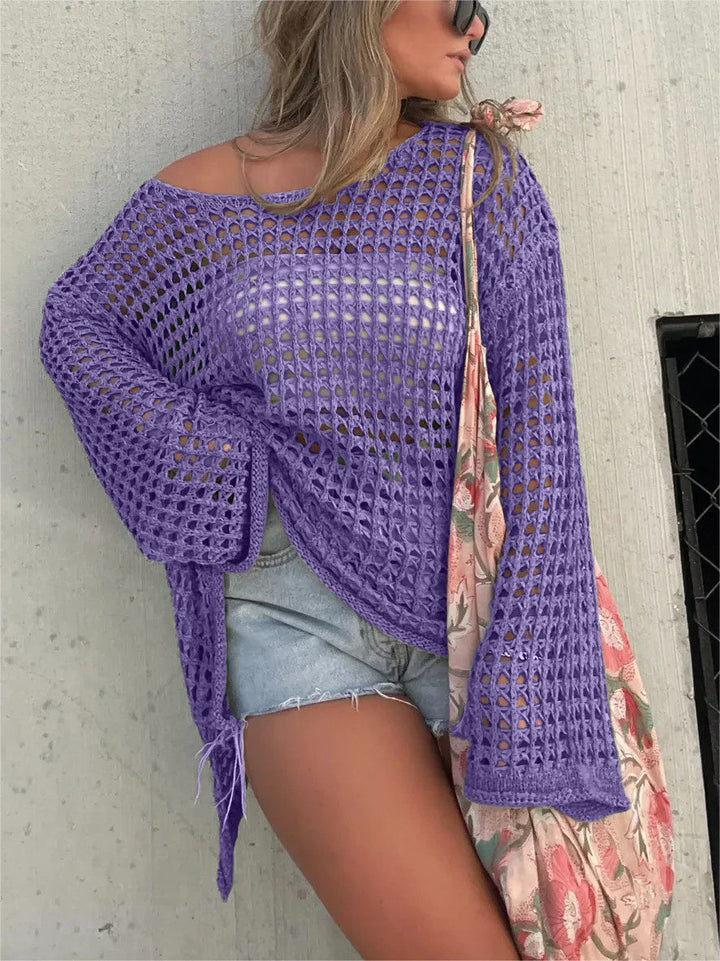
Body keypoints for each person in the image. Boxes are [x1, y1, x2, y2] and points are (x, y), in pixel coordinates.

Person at [40, 2, 588, 958]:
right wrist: (220, 458)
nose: (476, 25)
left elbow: (545, 441)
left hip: (477, 621)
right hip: (293, 622)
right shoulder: (201, 196)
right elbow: (78, 325)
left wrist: (534, 667)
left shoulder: (479, 178)